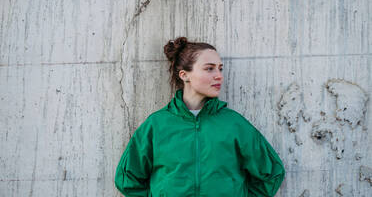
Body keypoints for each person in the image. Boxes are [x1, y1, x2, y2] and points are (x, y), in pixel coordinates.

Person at [114, 37, 286, 197]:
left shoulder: (234, 124)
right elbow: (127, 178)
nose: (219, 75)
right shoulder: (157, 125)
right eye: (209, 68)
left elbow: (271, 173)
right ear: (184, 75)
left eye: (220, 68)